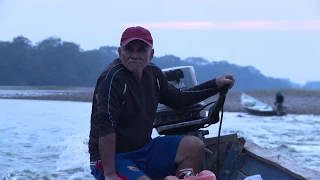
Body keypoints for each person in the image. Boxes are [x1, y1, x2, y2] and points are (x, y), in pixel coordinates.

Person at [88, 26, 235, 180]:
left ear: (151, 54)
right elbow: (105, 126)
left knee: (195, 146)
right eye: (129, 49)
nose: (134, 55)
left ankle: (182, 176)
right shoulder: (112, 79)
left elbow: (179, 99)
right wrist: (110, 174)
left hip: (145, 149)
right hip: (112, 159)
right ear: (120, 52)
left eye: (142, 50)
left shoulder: (154, 74)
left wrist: (215, 84)